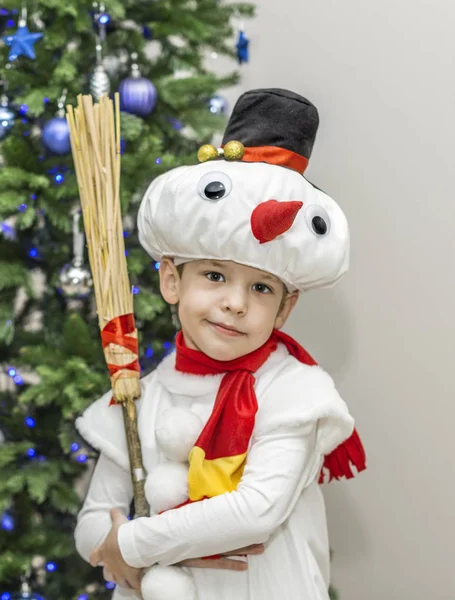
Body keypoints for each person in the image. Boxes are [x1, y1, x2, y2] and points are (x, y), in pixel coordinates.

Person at [74, 88, 366, 600]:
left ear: (284, 307)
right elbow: (95, 522)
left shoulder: (293, 391)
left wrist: (135, 544)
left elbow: (256, 510)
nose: (235, 303)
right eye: (214, 275)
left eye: (260, 287)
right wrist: (111, 545)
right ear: (171, 280)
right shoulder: (141, 394)